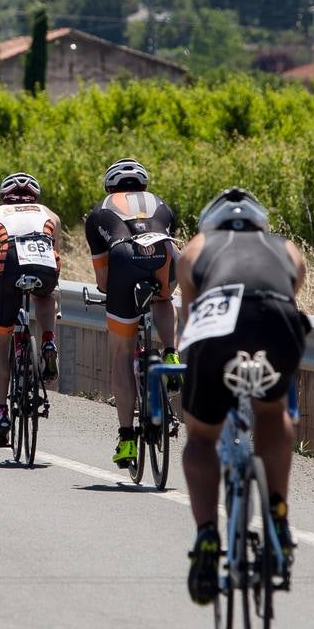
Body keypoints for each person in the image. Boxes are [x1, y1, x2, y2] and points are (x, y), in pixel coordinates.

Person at [177, 188, 309, 605]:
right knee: (272, 412)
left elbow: (189, 325)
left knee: (201, 437)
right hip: (278, 320)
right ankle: (279, 520)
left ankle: (206, 540)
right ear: (260, 224)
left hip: (219, 323)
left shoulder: (195, 249)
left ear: (210, 223)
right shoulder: (288, 248)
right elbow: (289, 294)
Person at [84, 158, 179, 468]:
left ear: (110, 187)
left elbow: (103, 281)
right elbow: (166, 239)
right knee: (164, 298)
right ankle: (171, 354)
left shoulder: (100, 209)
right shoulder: (162, 203)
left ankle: (126, 438)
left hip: (124, 256)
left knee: (122, 355)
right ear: (144, 185)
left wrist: (119, 297)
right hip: (163, 249)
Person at [0, 172, 62, 446]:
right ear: (34, 197)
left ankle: (1, 414)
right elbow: (56, 257)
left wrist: (1, 289)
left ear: (5, 196)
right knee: (47, 292)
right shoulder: (49, 213)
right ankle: (48, 341)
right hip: (44, 263)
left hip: (9, 259)